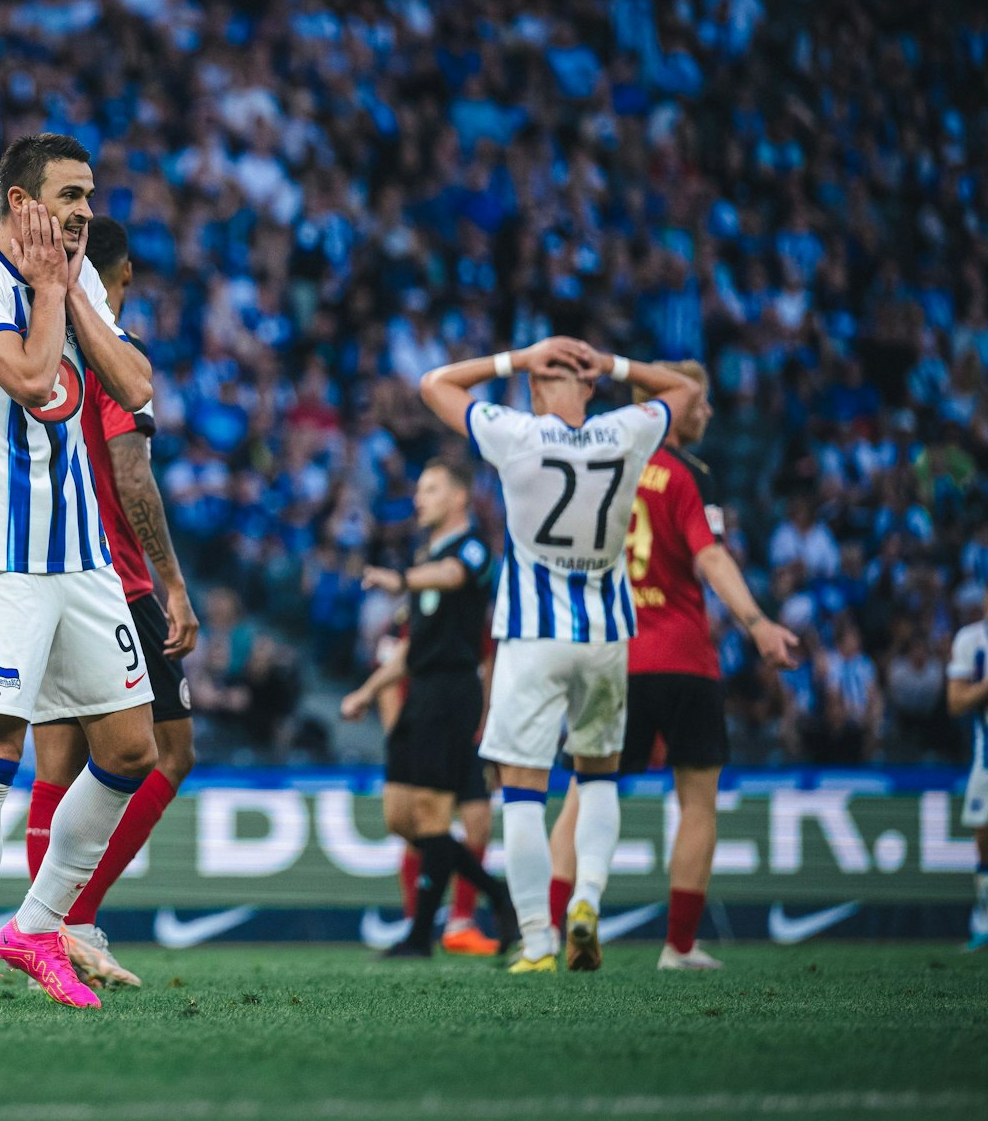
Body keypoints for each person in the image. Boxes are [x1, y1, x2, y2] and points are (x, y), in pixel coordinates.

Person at [0, 134, 157, 1012]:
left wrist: (70, 287)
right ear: (21, 201)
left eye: (91, 195)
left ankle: (38, 923)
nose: (85, 211)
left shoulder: (78, 274)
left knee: (132, 747)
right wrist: (52, 292)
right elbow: (28, 375)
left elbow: (133, 384)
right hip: (2, 556)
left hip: (83, 555)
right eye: (68, 195)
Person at [420, 336, 701, 973]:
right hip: (605, 637)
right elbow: (685, 392)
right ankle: (588, 902)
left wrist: (515, 359)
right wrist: (618, 363)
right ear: (591, 387)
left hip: (532, 635)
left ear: (542, 385)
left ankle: (539, 942)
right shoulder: (625, 433)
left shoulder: (516, 433)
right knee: (598, 776)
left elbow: (434, 383)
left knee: (522, 791)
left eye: (539, 377)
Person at [546, 361, 798, 969]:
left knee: (584, 793)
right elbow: (708, 558)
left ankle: (556, 932)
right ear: (672, 404)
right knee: (698, 803)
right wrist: (757, 623)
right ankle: (678, 947)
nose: (707, 411)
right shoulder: (689, 474)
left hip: (609, 653)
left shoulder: (602, 462)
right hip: (683, 657)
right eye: (701, 401)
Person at [23, 216, 201, 988]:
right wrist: (174, 583)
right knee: (168, 750)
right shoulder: (110, 353)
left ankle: (43, 930)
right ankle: (71, 917)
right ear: (120, 274)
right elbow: (132, 476)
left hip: (44, 571)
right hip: (117, 579)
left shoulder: (46, 342)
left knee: (57, 758)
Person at [340, 457, 518, 959]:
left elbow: (453, 575)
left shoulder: (473, 548)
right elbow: (412, 647)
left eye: (431, 489)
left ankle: (420, 937)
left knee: (434, 816)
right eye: (420, 489)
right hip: (421, 692)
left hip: (455, 694)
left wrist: (403, 580)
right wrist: (367, 691)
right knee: (401, 817)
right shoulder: (425, 555)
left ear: (458, 497)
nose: (419, 498)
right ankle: (495, 891)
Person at [946, 598, 988, 952]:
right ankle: (984, 923)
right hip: (985, 760)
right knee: (984, 842)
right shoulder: (971, 641)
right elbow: (955, 702)